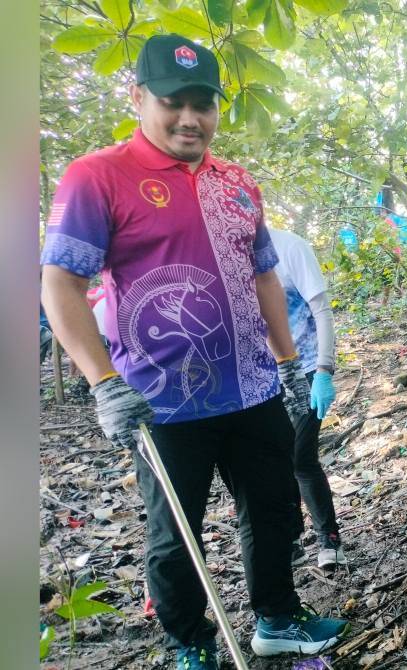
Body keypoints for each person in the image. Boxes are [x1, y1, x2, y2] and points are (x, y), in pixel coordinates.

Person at [40, 34, 349, 669]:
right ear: (139, 99)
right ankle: (190, 644)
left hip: (253, 387)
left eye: (203, 104)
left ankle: (277, 618)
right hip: (159, 400)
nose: (190, 118)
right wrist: (102, 382)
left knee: (273, 510)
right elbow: (61, 285)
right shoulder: (98, 176)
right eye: (174, 102)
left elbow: (265, 274)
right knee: (176, 536)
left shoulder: (236, 180)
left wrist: (289, 365)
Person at [267, 227, 347, 569]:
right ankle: (290, 539)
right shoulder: (224, 256)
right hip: (264, 376)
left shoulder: (289, 247)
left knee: (300, 456)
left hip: (308, 369)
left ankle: (329, 539)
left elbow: (321, 311)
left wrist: (324, 370)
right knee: (273, 460)